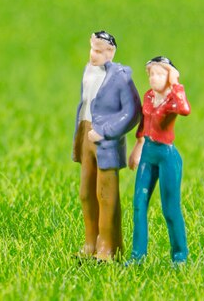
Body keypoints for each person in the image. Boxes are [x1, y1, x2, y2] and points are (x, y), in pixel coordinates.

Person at [72, 31, 141, 261]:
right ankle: (90, 242)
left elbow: (132, 113)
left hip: (105, 143)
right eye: (92, 48)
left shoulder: (120, 77)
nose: (94, 54)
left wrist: (105, 131)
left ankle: (107, 246)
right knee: (86, 193)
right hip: (85, 134)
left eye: (100, 50)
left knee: (106, 196)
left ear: (110, 52)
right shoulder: (88, 72)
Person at [127, 56, 191, 264]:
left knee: (170, 208)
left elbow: (185, 110)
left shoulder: (173, 99)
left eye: (160, 73)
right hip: (148, 153)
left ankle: (180, 256)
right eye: (152, 73)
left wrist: (176, 83)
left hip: (166, 156)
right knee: (139, 203)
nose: (154, 78)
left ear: (169, 75)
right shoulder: (148, 97)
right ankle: (138, 255)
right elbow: (144, 122)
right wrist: (137, 146)